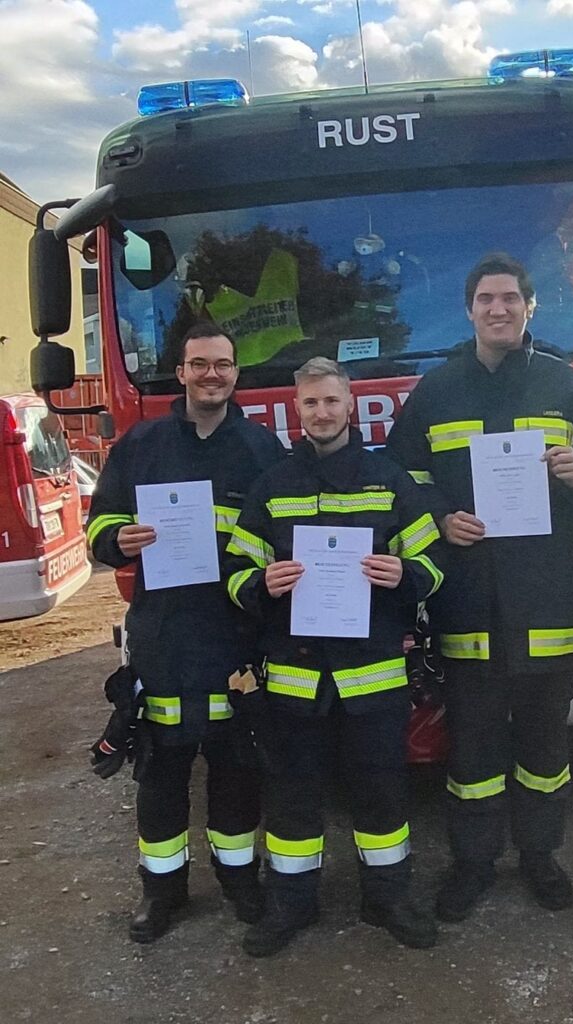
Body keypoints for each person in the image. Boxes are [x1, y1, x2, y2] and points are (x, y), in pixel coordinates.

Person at [386, 252, 573, 922]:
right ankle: (474, 864)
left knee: (546, 750)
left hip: (550, 602)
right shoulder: (436, 392)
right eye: (486, 299)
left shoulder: (567, 386)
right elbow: (403, 479)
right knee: (473, 753)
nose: (499, 309)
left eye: (510, 298)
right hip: (468, 606)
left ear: (529, 307)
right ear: (470, 310)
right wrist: (439, 518)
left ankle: (541, 857)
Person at [224, 357, 444, 957]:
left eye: (330, 401)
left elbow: (433, 564)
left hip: (373, 676)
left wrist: (403, 575)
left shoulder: (389, 480)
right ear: (297, 410)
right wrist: (261, 584)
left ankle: (388, 899)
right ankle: (291, 904)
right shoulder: (273, 486)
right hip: (295, 679)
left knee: (382, 792)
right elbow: (235, 572)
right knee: (291, 796)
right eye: (310, 403)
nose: (321, 412)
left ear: (351, 405)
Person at [87, 321, 286, 943]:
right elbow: (100, 524)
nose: (211, 375)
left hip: (236, 636)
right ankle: (161, 890)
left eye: (222, 365)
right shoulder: (142, 445)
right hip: (165, 636)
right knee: (161, 772)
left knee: (236, 769)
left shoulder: (260, 449)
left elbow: (283, 533)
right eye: (199, 364)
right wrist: (118, 539)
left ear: (235, 374)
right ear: (181, 373)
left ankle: (239, 878)